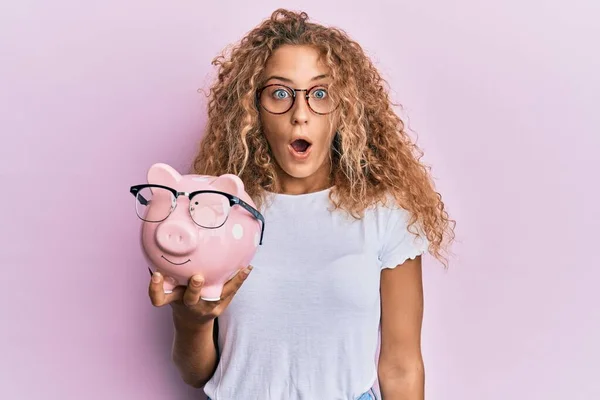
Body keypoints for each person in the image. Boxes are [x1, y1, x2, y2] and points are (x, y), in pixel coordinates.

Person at [147, 8, 455, 400]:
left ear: (344, 109)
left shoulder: (386, 214)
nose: (300, 115)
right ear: (252, 110)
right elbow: (196, 373)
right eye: (280, 93)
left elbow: (402, 365)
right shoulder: (219, 214)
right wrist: (189, 319)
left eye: (320, 94)